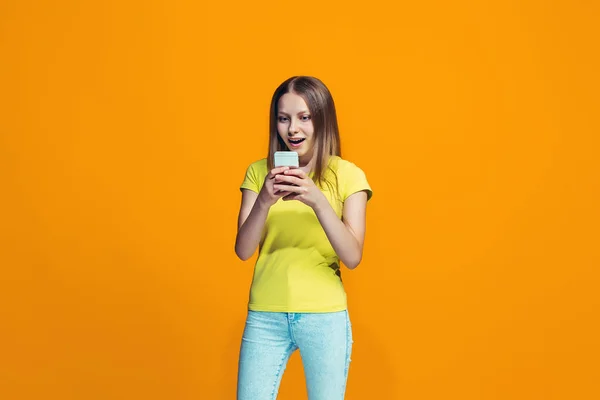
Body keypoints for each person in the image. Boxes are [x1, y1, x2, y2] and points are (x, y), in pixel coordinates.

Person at [234, 76, 373, 400]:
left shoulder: (348, 175)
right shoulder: (259, 172)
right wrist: (265, 200)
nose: (293, 129)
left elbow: (352, 256)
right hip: (265, 313)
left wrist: (318, 200)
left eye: (304, 117)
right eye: (284, 118)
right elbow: (243, 250)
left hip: (324, 316)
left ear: (322, 119)